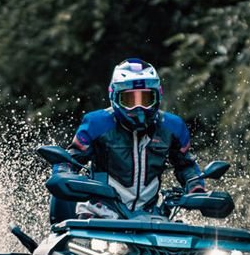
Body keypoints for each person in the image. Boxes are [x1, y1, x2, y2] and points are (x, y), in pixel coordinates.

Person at [52, 58, 204, 221]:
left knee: (188, 244)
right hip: (99, 215)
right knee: (75, 240)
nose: (139, 108)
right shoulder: (96, 123)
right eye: (130, 100)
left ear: (157, 97)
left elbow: (186, 165)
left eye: (146, 99)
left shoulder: (172, 127)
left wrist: (197, 189)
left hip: (150, 216)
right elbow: (72, 158)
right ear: (115, 97)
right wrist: (64, 172)